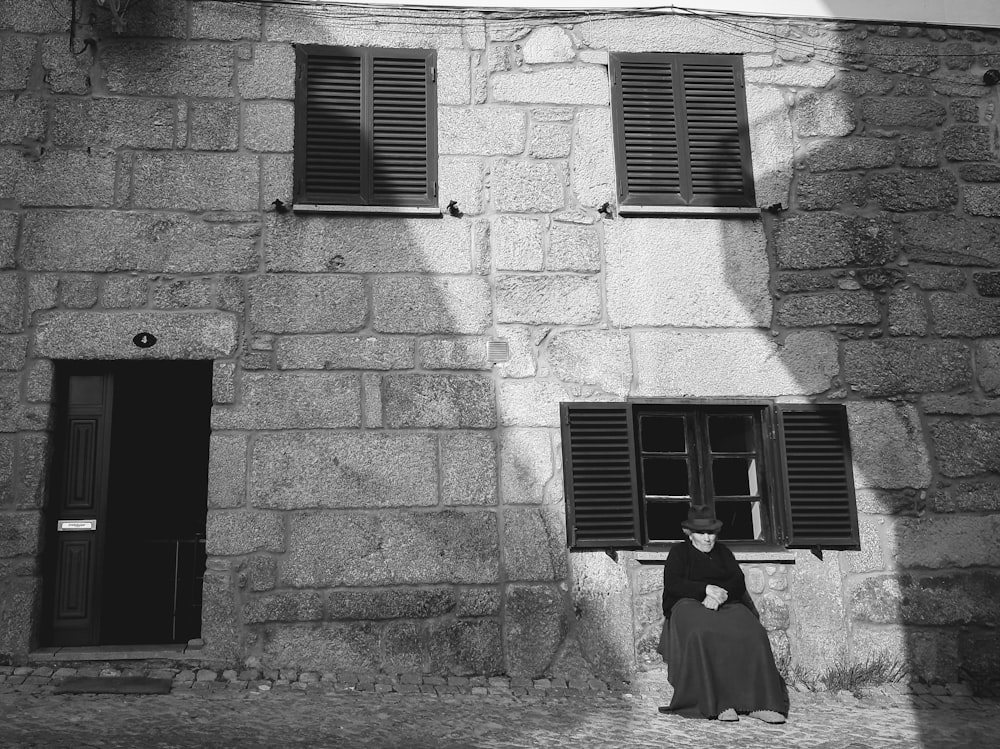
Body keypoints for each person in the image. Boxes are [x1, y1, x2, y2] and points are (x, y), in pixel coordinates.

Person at [656, 504, 789, 723]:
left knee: (753, 632)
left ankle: (759, 702)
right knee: (701, 633)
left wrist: (719, 595)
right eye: (702, 533)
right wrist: (705, 590)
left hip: (725, 602)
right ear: (690, 534)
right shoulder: (679, 553)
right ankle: (717, 703)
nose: (708, 538)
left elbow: (736, 581)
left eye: (711, 533)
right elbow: (674, 585)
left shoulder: (723, 553)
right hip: (687, 605)